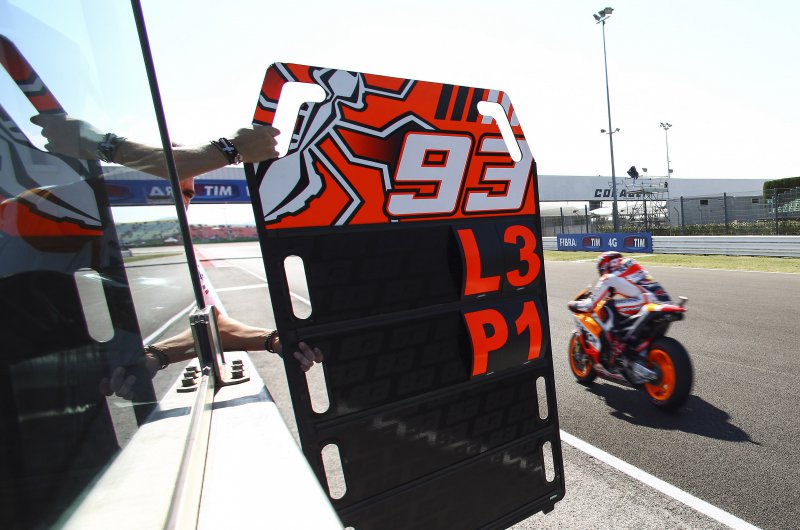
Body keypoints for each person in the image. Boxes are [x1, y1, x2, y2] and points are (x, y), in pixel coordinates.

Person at [31, 114, 322, 400]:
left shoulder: (185, 254)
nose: (181, 201)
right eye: (166, 186)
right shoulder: (45, 214)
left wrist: (275, 340)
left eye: (187, 193)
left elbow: (213, 327)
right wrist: (229, 150)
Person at [568, 251, 672, 342]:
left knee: (607, 306)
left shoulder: (610, 277)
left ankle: (613, 342)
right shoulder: (630, 265)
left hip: (648, 301)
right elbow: (627, 285)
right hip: (664, 301)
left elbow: (592, 303)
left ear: (605, 266)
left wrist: (581, 304)